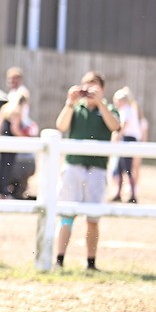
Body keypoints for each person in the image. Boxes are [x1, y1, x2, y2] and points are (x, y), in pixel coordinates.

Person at [55, 71, 121, 270]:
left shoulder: (108, 108)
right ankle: (59, 260)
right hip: (74, 166)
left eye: (94, 85)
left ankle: (91, 263)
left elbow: (115, 126)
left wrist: (100, 103)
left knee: (93, 218)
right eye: (86, 85)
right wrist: (70, 102)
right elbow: (61, 125)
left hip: (97, 169)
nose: (89, 90)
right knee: (67, 215)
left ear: (102, 88)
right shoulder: (76, 107)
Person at [111, 87, 145, 203]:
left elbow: (124, 124)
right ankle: (121, 193)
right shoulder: (131, 109)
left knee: (126, 168)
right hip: (130, 139)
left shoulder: (126, 109)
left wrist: (117, 136)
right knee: (122, 168)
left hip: (128, 139)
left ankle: (132, 194)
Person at [0, 91, 28, 198]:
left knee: (2, 166)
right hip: (12, 143)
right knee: (8, 167)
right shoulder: (17, 111)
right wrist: (25, 138)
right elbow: (14, 128)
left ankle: (1, 190)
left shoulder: (5, 108)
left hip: (3, 141)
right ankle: (4, 190)